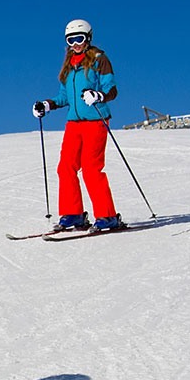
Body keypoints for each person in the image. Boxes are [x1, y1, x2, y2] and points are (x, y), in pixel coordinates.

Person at [32, 19, 124, 232]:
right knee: (66, 167)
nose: (75, 44)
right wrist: (47, 104)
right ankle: (73, 214)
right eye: (70, 40)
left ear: (88, 38)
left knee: (91, 169)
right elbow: (64, 96)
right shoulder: (69, 65)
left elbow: (112, 89)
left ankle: (107, 216)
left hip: (95, 121)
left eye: (79, 39)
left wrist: (98, 95)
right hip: (74, 123)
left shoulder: (100, 60)